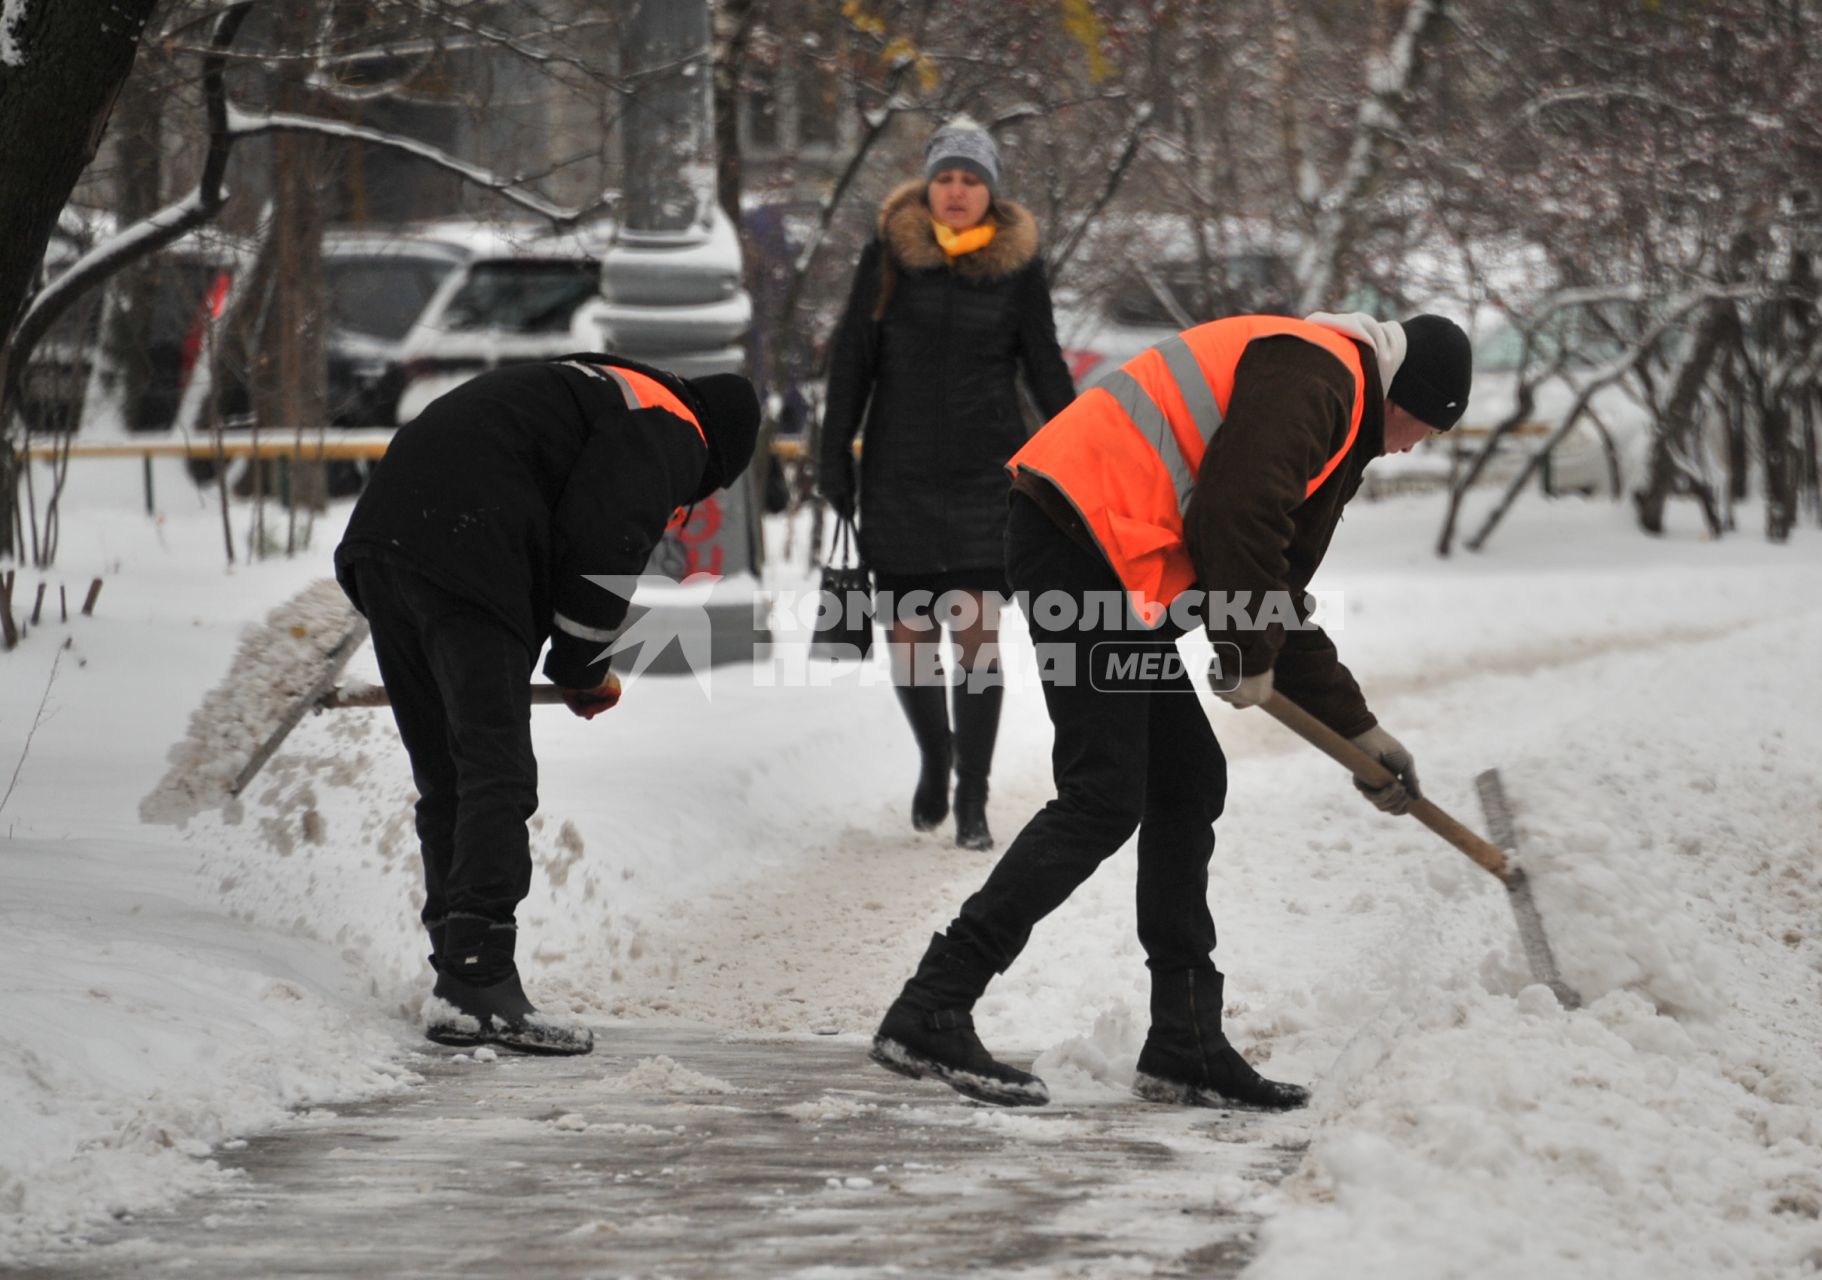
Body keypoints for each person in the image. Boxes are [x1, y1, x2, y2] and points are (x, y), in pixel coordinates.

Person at [869, 310, 1473, 1109]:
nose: (1410, 446)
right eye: (1421, 428)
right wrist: (1247, 650)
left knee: (1186, 778)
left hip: (1099, 552)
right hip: (1080, 544)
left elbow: (1273, 587)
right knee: (1105, 793)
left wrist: (1360, 732)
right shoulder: (1320, 375)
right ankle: (932, 1004)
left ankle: (1184, 1038)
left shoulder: (1336, 393)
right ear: (1407, 393)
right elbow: (1237, 515)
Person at [335, 355, 761, 1055]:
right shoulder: (674, 427)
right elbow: (607, 534)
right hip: (470, 546)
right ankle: (478, 979)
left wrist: (572, 656)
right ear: (719, 450)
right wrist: (581, 666)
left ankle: (458, 967)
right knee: (496, 773)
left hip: (384, 542)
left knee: (450, 769)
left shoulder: (603, 386)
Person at [819, 117, 1077, 852]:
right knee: (907, 635)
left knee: (976, 638)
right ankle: (936, 752)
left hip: (984, 474)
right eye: (946, 178)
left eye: (971, 180)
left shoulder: (1018, 268)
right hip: (896, 471)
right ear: (928, 185)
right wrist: (832, 457)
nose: (957, 192)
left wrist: (1088, 442)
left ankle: (973, 795)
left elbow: (1045, 365)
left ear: (990, 193)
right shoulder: (889, 257)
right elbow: (851, 364)